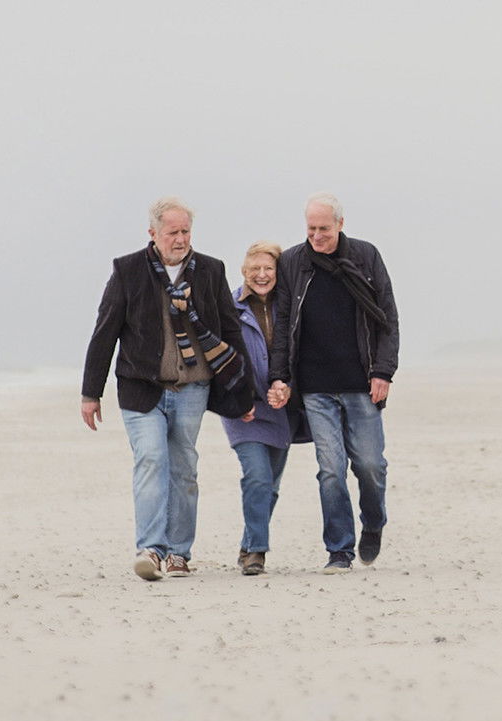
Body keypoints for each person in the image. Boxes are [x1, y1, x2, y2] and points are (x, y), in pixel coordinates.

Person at [81, 197, 250, 581]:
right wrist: (91, 393)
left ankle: (179, 553)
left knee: (184, 469)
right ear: (153, 234)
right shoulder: (127, 271)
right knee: (152, 460)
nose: (180, 239)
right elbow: (105, 331)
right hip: (141, 387)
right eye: (172, 232)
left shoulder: (209, 270)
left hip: (193, 388)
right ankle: (150, 549)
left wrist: (244, 390)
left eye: (185, 231)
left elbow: (230, 330)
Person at [268, 192, 399, 574]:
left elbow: (387, 317)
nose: (317, 236)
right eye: (311, 228)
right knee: (330, 469)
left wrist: (383, 372)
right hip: (315, 387)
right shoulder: (293, 261)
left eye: (324, 229)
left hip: (362, 382)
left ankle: (373, 524)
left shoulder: (365, 256)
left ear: (340, 224)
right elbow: (282, 323)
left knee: (370, 466)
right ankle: (339, 550)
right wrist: (281, 375)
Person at [220, 242, 308, 576]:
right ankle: (257, 551)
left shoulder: (290, 309)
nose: (261, 275)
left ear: (278, 273)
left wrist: (288, 388)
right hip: (244, 408)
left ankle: (248, 543)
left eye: (268, 269)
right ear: (243, 272)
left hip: (281, 407)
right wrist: (235, 400)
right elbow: (218, 359)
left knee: (269, 485)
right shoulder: (228, 307)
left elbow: (301, 356)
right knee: (256, 476)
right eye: (254, 269)